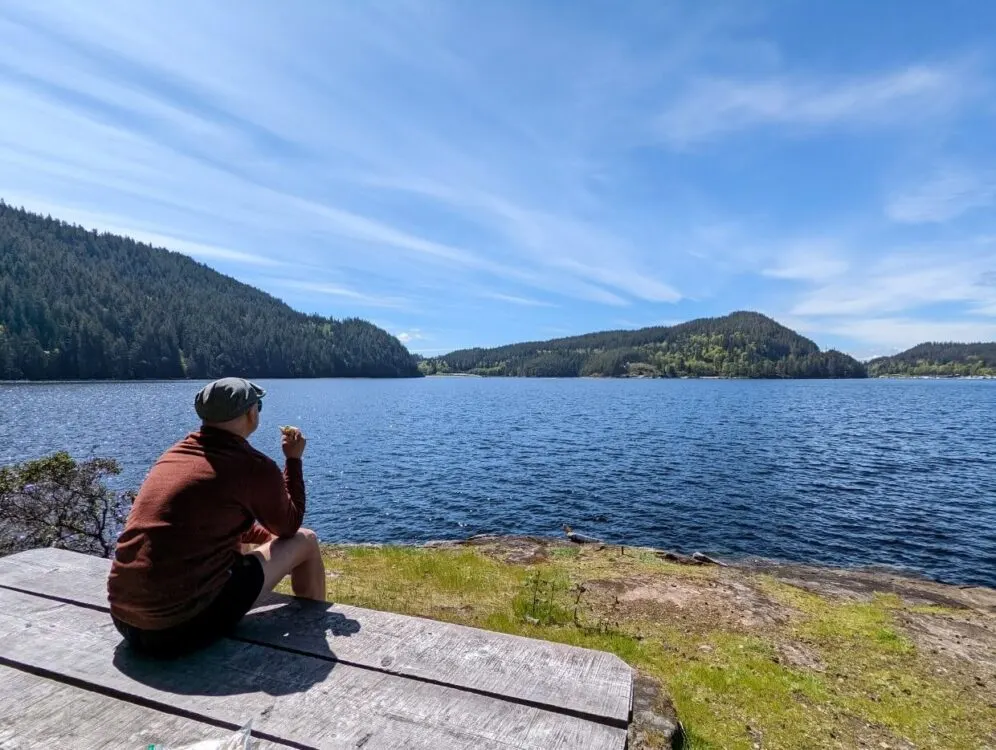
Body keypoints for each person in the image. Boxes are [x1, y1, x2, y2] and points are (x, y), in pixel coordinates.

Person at [107, 377, 326, 657]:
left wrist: (264, 538)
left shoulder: (174, 456)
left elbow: (203, 527)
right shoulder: (252, 466)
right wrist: (293, 460)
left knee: (245, 548)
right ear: (251, 413)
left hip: (126, 621)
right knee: (305, 540)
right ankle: (312, 636)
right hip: (181, 626)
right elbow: (289, 526)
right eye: (258, 405)